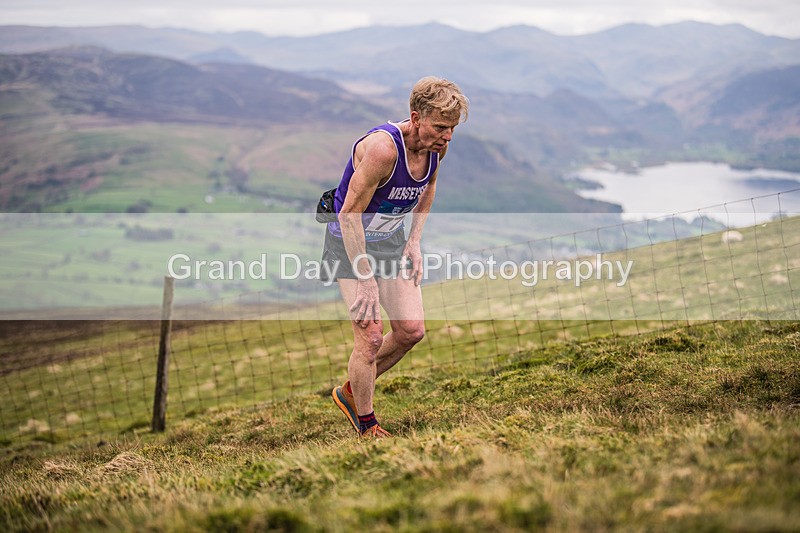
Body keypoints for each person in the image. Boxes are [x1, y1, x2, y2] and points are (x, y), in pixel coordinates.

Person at [323, 76, 469, 438]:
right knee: (370, 338)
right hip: (349, 243)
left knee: (410, 331)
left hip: (390, 242)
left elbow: (429, 185)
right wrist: (365, 278)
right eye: (440, 126)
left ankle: (351, 391)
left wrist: (415, 240)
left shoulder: (437, 148)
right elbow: (348, 214)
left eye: (452, 129)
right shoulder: (382, 150)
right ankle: (368, 425)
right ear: (416, 117)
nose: (447, 136)